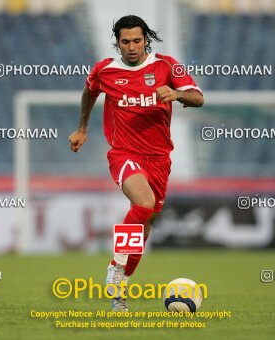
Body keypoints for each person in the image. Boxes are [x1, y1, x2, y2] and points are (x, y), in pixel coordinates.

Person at [69, 15, 203, 310]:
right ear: (117, 43)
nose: (131, 47)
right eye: (125, 41)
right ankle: (115, 268)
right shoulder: (105, 71)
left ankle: (120, 292)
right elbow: (89, 92)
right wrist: (82, 128)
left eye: (137, 41)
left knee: (145, 224)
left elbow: (197, 97)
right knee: (142, 204)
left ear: (146, 40)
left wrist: (176, 93)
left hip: (159, 159)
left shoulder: (166, 65)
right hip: (124, 154)